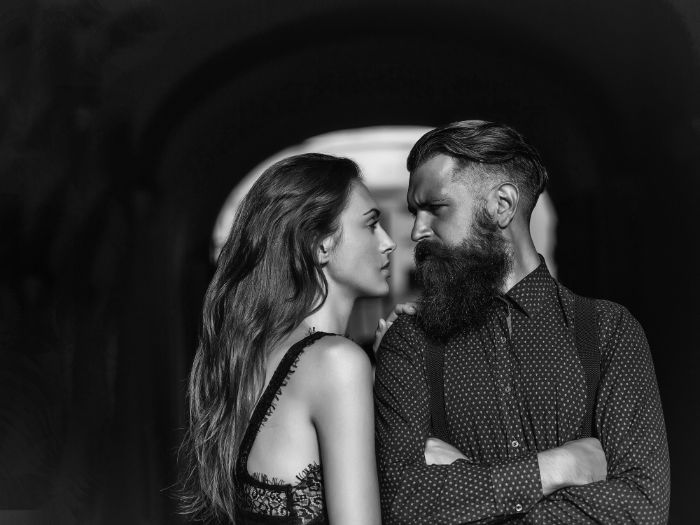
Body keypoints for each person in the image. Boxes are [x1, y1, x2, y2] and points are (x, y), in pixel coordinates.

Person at [374, 120, 670, 524]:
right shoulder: (409, 341)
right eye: (415, 211)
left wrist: (468, 491)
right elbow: (403, 506)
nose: (416, 231)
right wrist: (558, 467)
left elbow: (642, 508)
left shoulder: (609, 332)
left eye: (435, 208)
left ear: (503, 205)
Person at [178, 153, 398, 524]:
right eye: (371, 225)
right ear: (321, 244)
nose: (389, 242)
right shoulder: (335, 362)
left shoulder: (255, 353)